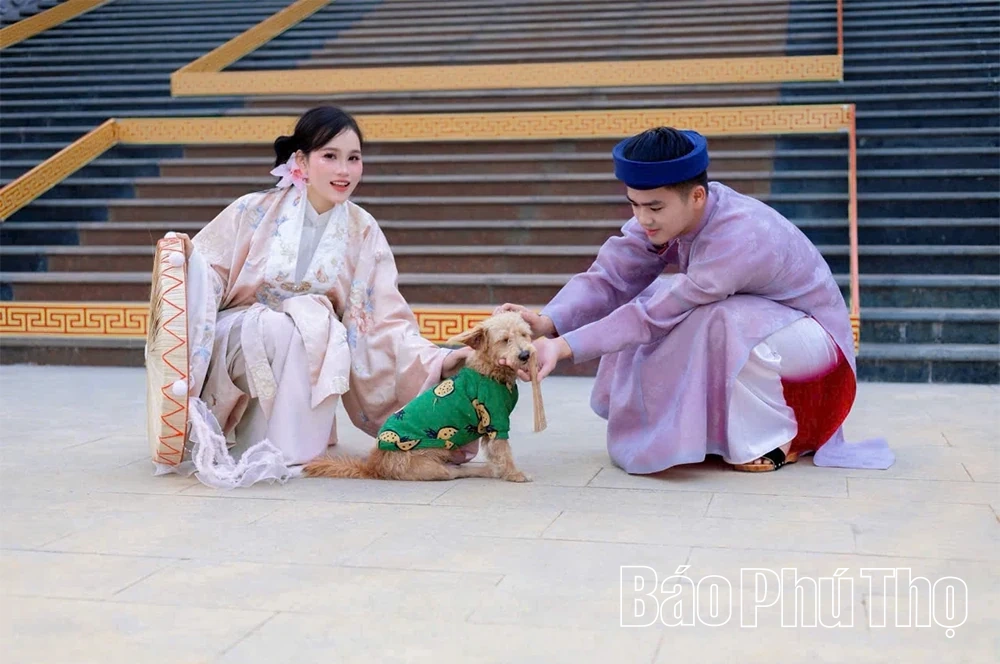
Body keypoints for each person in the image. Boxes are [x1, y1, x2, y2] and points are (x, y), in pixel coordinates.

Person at [499, 126, 891, 474]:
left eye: (655, 207)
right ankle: (697, 436)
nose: (643, 219)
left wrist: (564, 347)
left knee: (716, 318)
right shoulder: (667, 218)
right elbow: (611, 276)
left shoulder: (738, 235)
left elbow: (653, 318)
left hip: (819, 345)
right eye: (635, 205)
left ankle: (775, 439)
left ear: (697, 196)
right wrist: (549, 323)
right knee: (659, 296)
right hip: (770, 326)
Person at [162, 106, 476, 488]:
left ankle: (290, 448)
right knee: (284, 326)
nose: (344, 170)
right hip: (241, 341)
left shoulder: (363, 230)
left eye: (353, 158)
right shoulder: (252, 210)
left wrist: (439, 360)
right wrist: (186, 263)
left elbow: (383, 320)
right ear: (301, 161)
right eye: (330, 156)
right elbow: (206, 273)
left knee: (316, 326)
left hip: (312, 343)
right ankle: (272, 443)